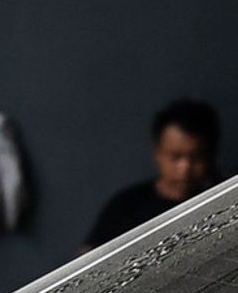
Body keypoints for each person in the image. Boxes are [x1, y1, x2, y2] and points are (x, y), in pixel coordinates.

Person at [86, 97, 220, 246]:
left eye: (196, 157)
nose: (185, 168)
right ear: (158, 152)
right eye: (175, 157)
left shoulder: (221, 202)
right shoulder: (125, 207)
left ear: (211, 155)